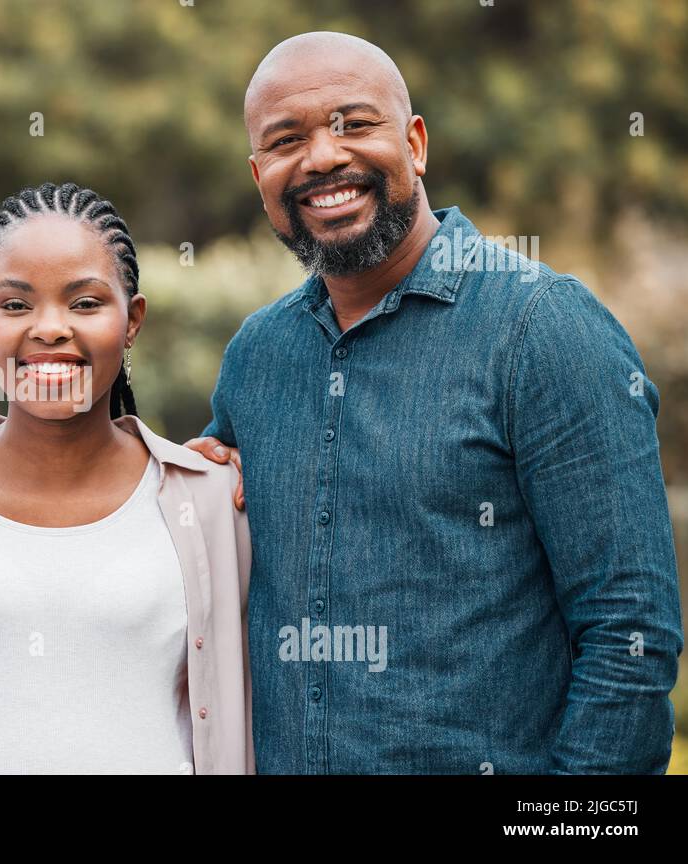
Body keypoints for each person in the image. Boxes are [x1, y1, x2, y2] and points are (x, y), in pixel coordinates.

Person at [186, 32, 682, 773]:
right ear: (261, 176)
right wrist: (192, 486)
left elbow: (630, 638)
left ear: (415, 143)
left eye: (355, 124)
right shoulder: (258, 358)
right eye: (288, 141)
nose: (322, 157)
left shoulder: (542, 329)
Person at [0, 182, 253, 774]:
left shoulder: (208, 500)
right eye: (16, 304)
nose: (50, 328)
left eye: (84, 303)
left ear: (133, 321)